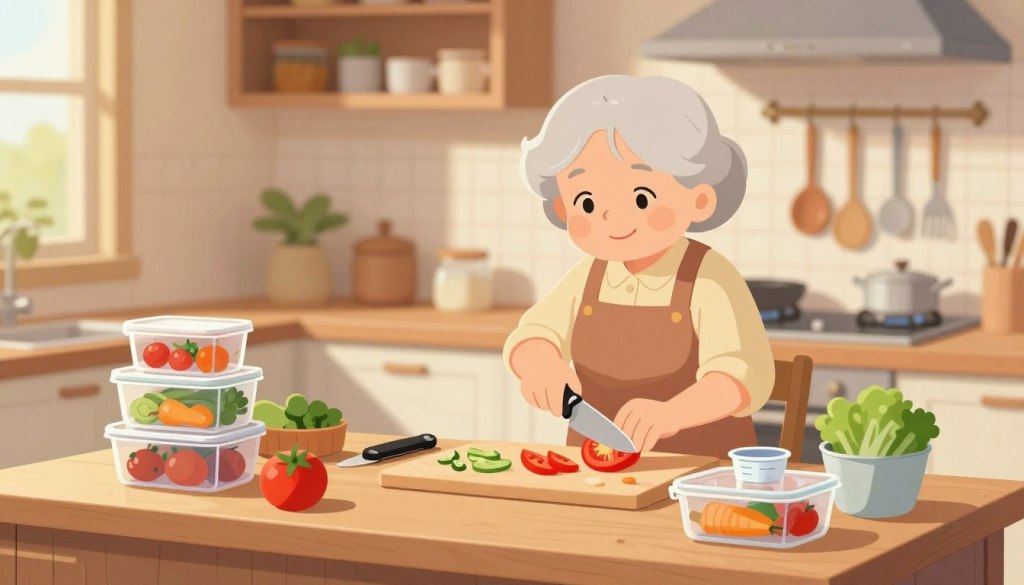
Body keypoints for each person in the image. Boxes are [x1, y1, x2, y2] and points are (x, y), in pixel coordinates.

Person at [503, 75, 775, 458]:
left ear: (699, 200)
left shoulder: (709, 278)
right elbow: (533, 332)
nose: (613, 218)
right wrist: (541, 365)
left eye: (642, 198)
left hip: (699, 474)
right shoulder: (589, 276)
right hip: (597, 470)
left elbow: (741, 377)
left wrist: (673, 414)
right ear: (563, 207)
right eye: (587, 203)